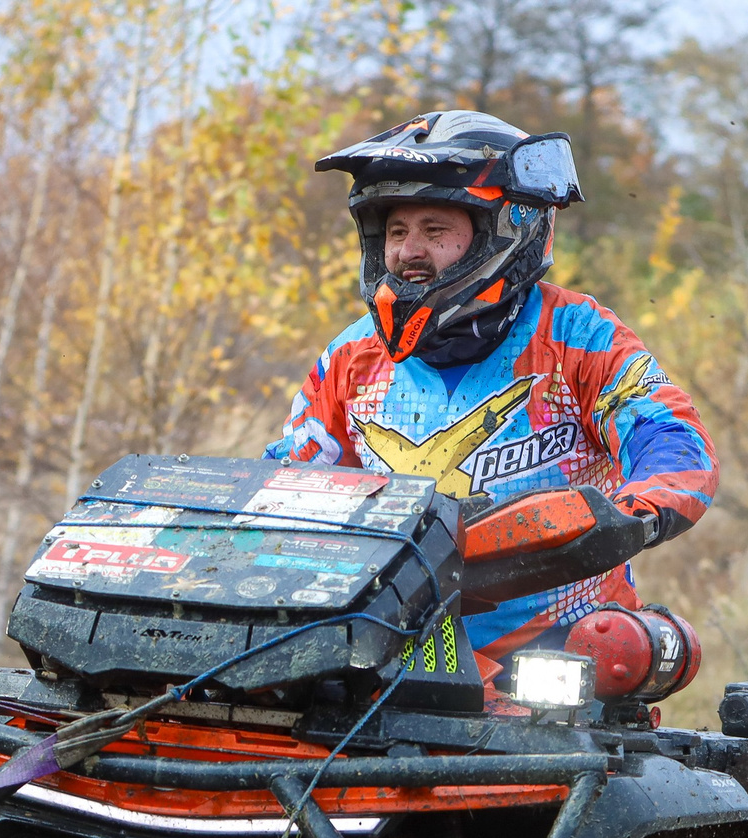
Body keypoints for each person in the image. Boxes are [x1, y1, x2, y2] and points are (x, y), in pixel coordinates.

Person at [269, 111, 716, 668]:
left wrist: (633, 513)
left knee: (630, 664)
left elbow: (673, 438)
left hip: (558, 663)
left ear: (502, 232)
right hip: (385, 654)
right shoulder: (351, 358)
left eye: (435, 232)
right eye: (397, 232)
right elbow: (285, 490)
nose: (409, 251)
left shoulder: (577, 338)